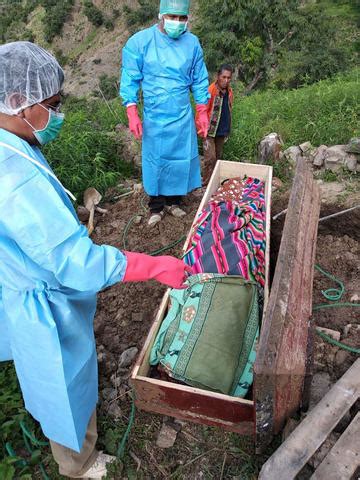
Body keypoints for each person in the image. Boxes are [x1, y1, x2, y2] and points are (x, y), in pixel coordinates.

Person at [0, 41, 191, 479]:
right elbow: (76, 262)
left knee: (58, 370)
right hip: (41, 298)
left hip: (22, 276)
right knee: (60, 381)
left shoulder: (12, 140)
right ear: (17, 102)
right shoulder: (13, 177)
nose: (59, 113)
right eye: (52, 104)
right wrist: (154, 265)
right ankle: (79, 464)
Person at [120, 0, 210, 227]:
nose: (177, 23)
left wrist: (202, 110)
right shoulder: (141, 42)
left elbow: (199, 79)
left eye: (182, 18)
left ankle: (175, 201)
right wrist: (131, 110)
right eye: (173, 16)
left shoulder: (192, 43)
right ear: (161, 14)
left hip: (181, 113)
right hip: (155, 115)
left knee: (180, 158)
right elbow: (130, 77)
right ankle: (156, 206)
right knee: (156, 159)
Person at [202, 64, 234, 185]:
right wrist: (202, 129)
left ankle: (214, 184)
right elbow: (202, 110)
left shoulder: (229, 92)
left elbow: (229, 108)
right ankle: (206, 185)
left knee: (218, 158)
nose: (226, 80)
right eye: (224, 77)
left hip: (222, 130)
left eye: (228, 78)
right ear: (218, 76)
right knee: (210, 159)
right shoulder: (211, 91)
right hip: (209, 130)